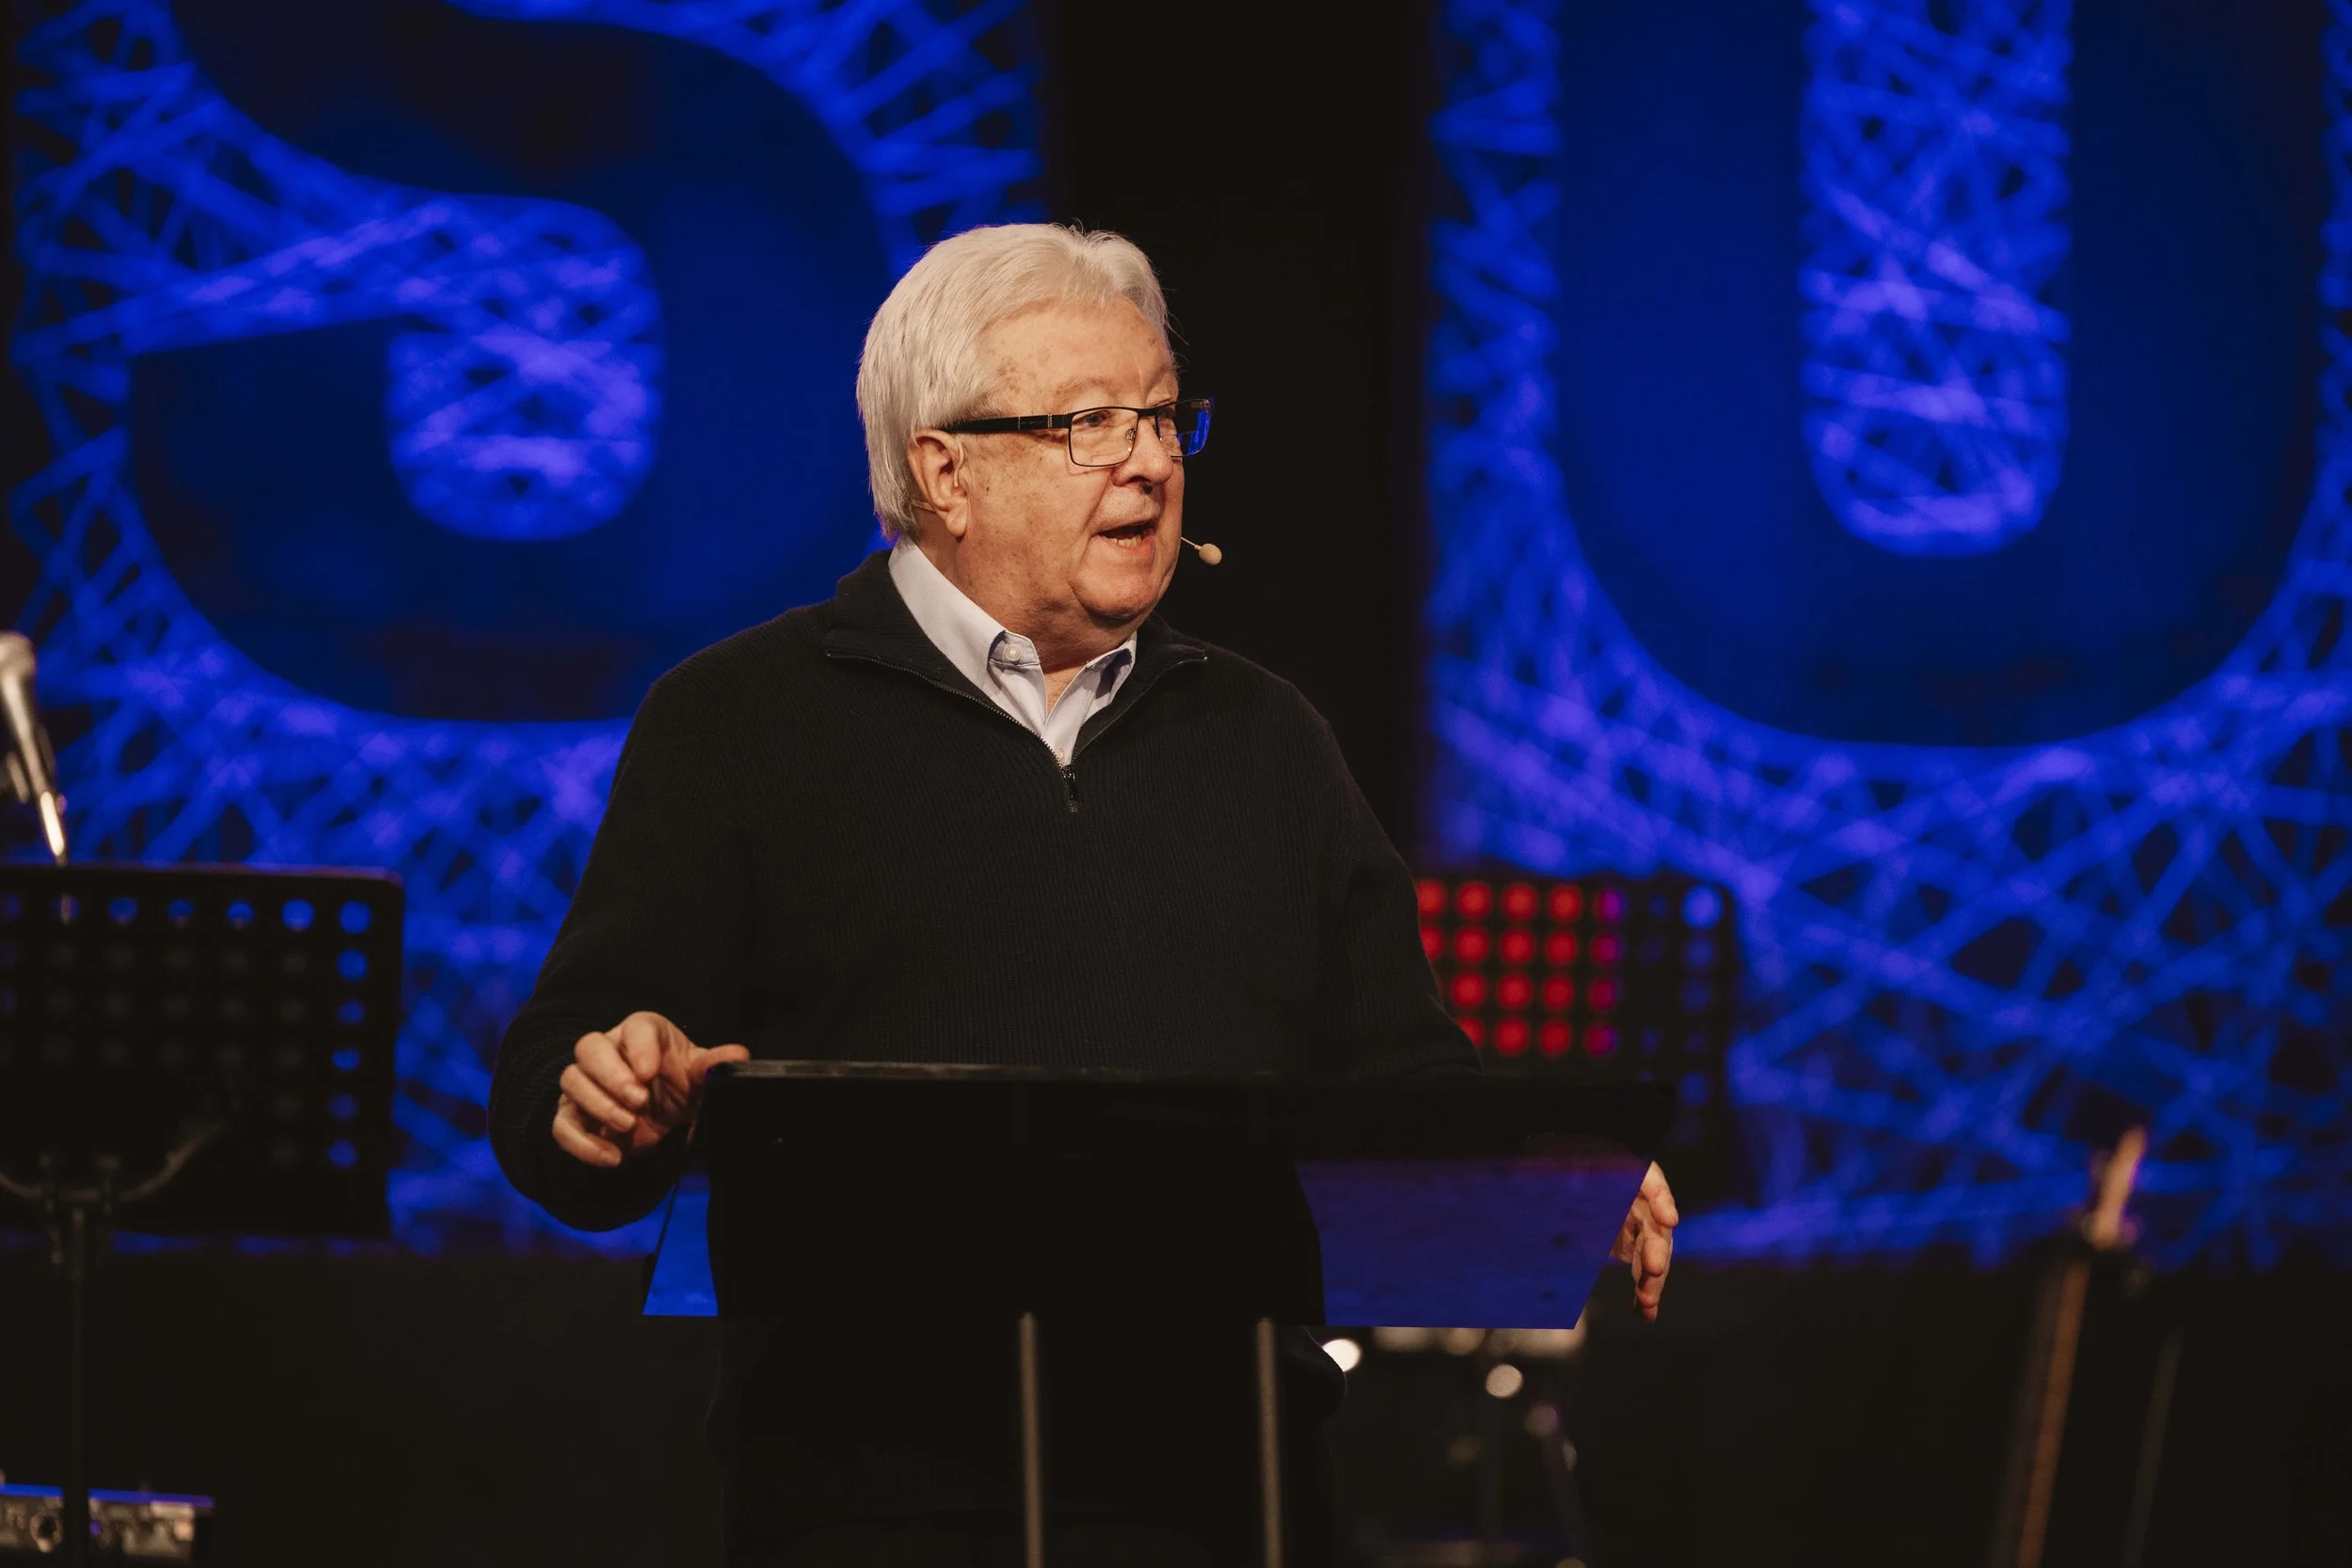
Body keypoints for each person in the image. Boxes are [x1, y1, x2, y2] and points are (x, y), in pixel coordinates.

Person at [487, 222, 1677, 1566]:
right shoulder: (739, 722)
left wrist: (1544, 1170)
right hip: (872, 1503)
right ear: (946, 469)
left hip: (1227, 1497)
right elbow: (560, 1076)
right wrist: (600, 1098)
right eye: (1091, 423)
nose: (1153, 462)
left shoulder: (1265, 738)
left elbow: (1402, 1071)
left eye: (1166, 419)